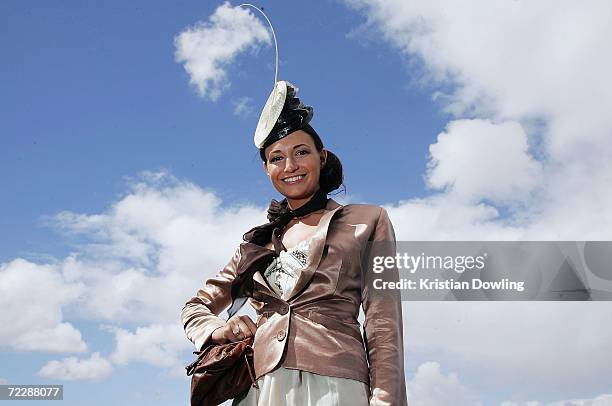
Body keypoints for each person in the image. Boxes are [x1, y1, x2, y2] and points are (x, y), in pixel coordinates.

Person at [181, 81, 408, 405]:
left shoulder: (367, 220)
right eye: (277, 158)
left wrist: (385, 400)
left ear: (322, 156)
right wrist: (218, 330)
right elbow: (195, 307)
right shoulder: (256, 245)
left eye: (301, 152)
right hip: (259, 389)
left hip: (336, 385)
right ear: (266, 168)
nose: (290, 166)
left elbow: (383, 323)